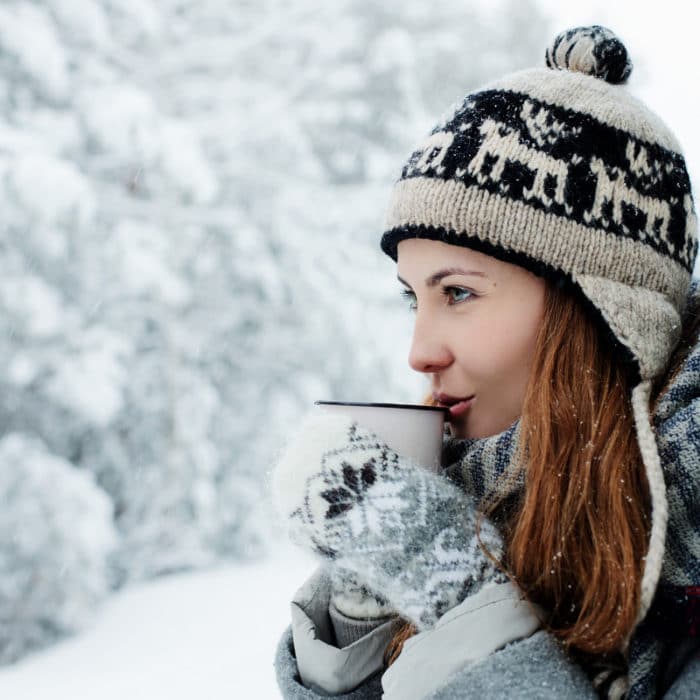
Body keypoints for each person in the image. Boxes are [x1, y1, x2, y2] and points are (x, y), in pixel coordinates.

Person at [271, 25, 700, 699]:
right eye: (414, 299)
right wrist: (365, 598)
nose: (420, 352)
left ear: (604, 311)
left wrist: (461, 600)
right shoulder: (495, 500)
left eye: (459, 292)